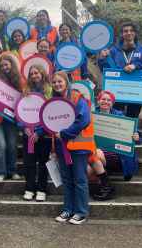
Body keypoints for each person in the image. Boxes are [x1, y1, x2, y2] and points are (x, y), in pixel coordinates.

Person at [50, 71, 93, 225]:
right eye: (54, 82)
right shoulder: (53, 101)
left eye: (59, 81)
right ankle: (67, 209)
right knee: (67, 180)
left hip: (78, 146)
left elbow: (84, 120)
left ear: (66, 82)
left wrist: (65, 133)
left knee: (79, 180)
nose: (57, 84)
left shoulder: (76, 97)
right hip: (62, 147)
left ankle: (81, 212)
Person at [97, 22, 142, 118]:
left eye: (131, 30)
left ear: (135, 33)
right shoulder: (114, 50)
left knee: (133, 117)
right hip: (117, 91)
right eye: (125, 31)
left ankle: (133, 133)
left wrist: (136, 66)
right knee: (116, 117)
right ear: (122, 34)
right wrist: (102, 58)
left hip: (136, 91)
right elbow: (105, 69)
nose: (128, 33)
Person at [92, 91, 141, 192]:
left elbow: (135, 133)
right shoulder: (91, 114)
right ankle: (105, 185)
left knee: (96, 155)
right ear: (98, 101)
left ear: (113, 103)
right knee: (91, 163)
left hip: (116, 153)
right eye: (103, 99)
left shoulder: (120, 116)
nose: (105, 102)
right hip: (96, 150)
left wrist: (136, 137)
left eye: (109, 100)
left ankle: (104, 182)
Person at [22, 65, 53, 201]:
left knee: (43, 163)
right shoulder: (25, 91)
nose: (34, 75)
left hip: (44, 134)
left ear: (42, 74)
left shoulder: (50, 91)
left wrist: (39, 132)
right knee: (29, 162)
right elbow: (20, 111)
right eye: (32, 73)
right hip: (28, 134)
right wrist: (24, 127)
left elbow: (51, 113)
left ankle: (42, 189)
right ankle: (29, 188)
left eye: (37, 73)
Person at [0, 53, 23, 183]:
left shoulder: (19, 80)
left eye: (6, 64)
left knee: (11, 145)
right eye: (2, 65)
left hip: (12, 118)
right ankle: (0, 172)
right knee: (1, 145)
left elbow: (23, 99)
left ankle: (12, 171)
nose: (4, 67)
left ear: (11, 64)